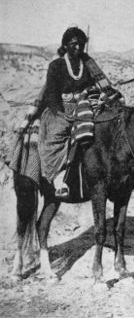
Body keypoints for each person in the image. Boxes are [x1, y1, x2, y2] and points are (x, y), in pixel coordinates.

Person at [38, 27, 98, 198]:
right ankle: (57, 178)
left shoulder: (88, 64)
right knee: (56, 135)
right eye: (74, 44)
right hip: (60, 110)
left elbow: (98, 83)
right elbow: (51, 94)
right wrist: (61, 113)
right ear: (65, 45)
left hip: (84, 107)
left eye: (81, 44)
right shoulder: (56, 66)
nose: (78, 47)